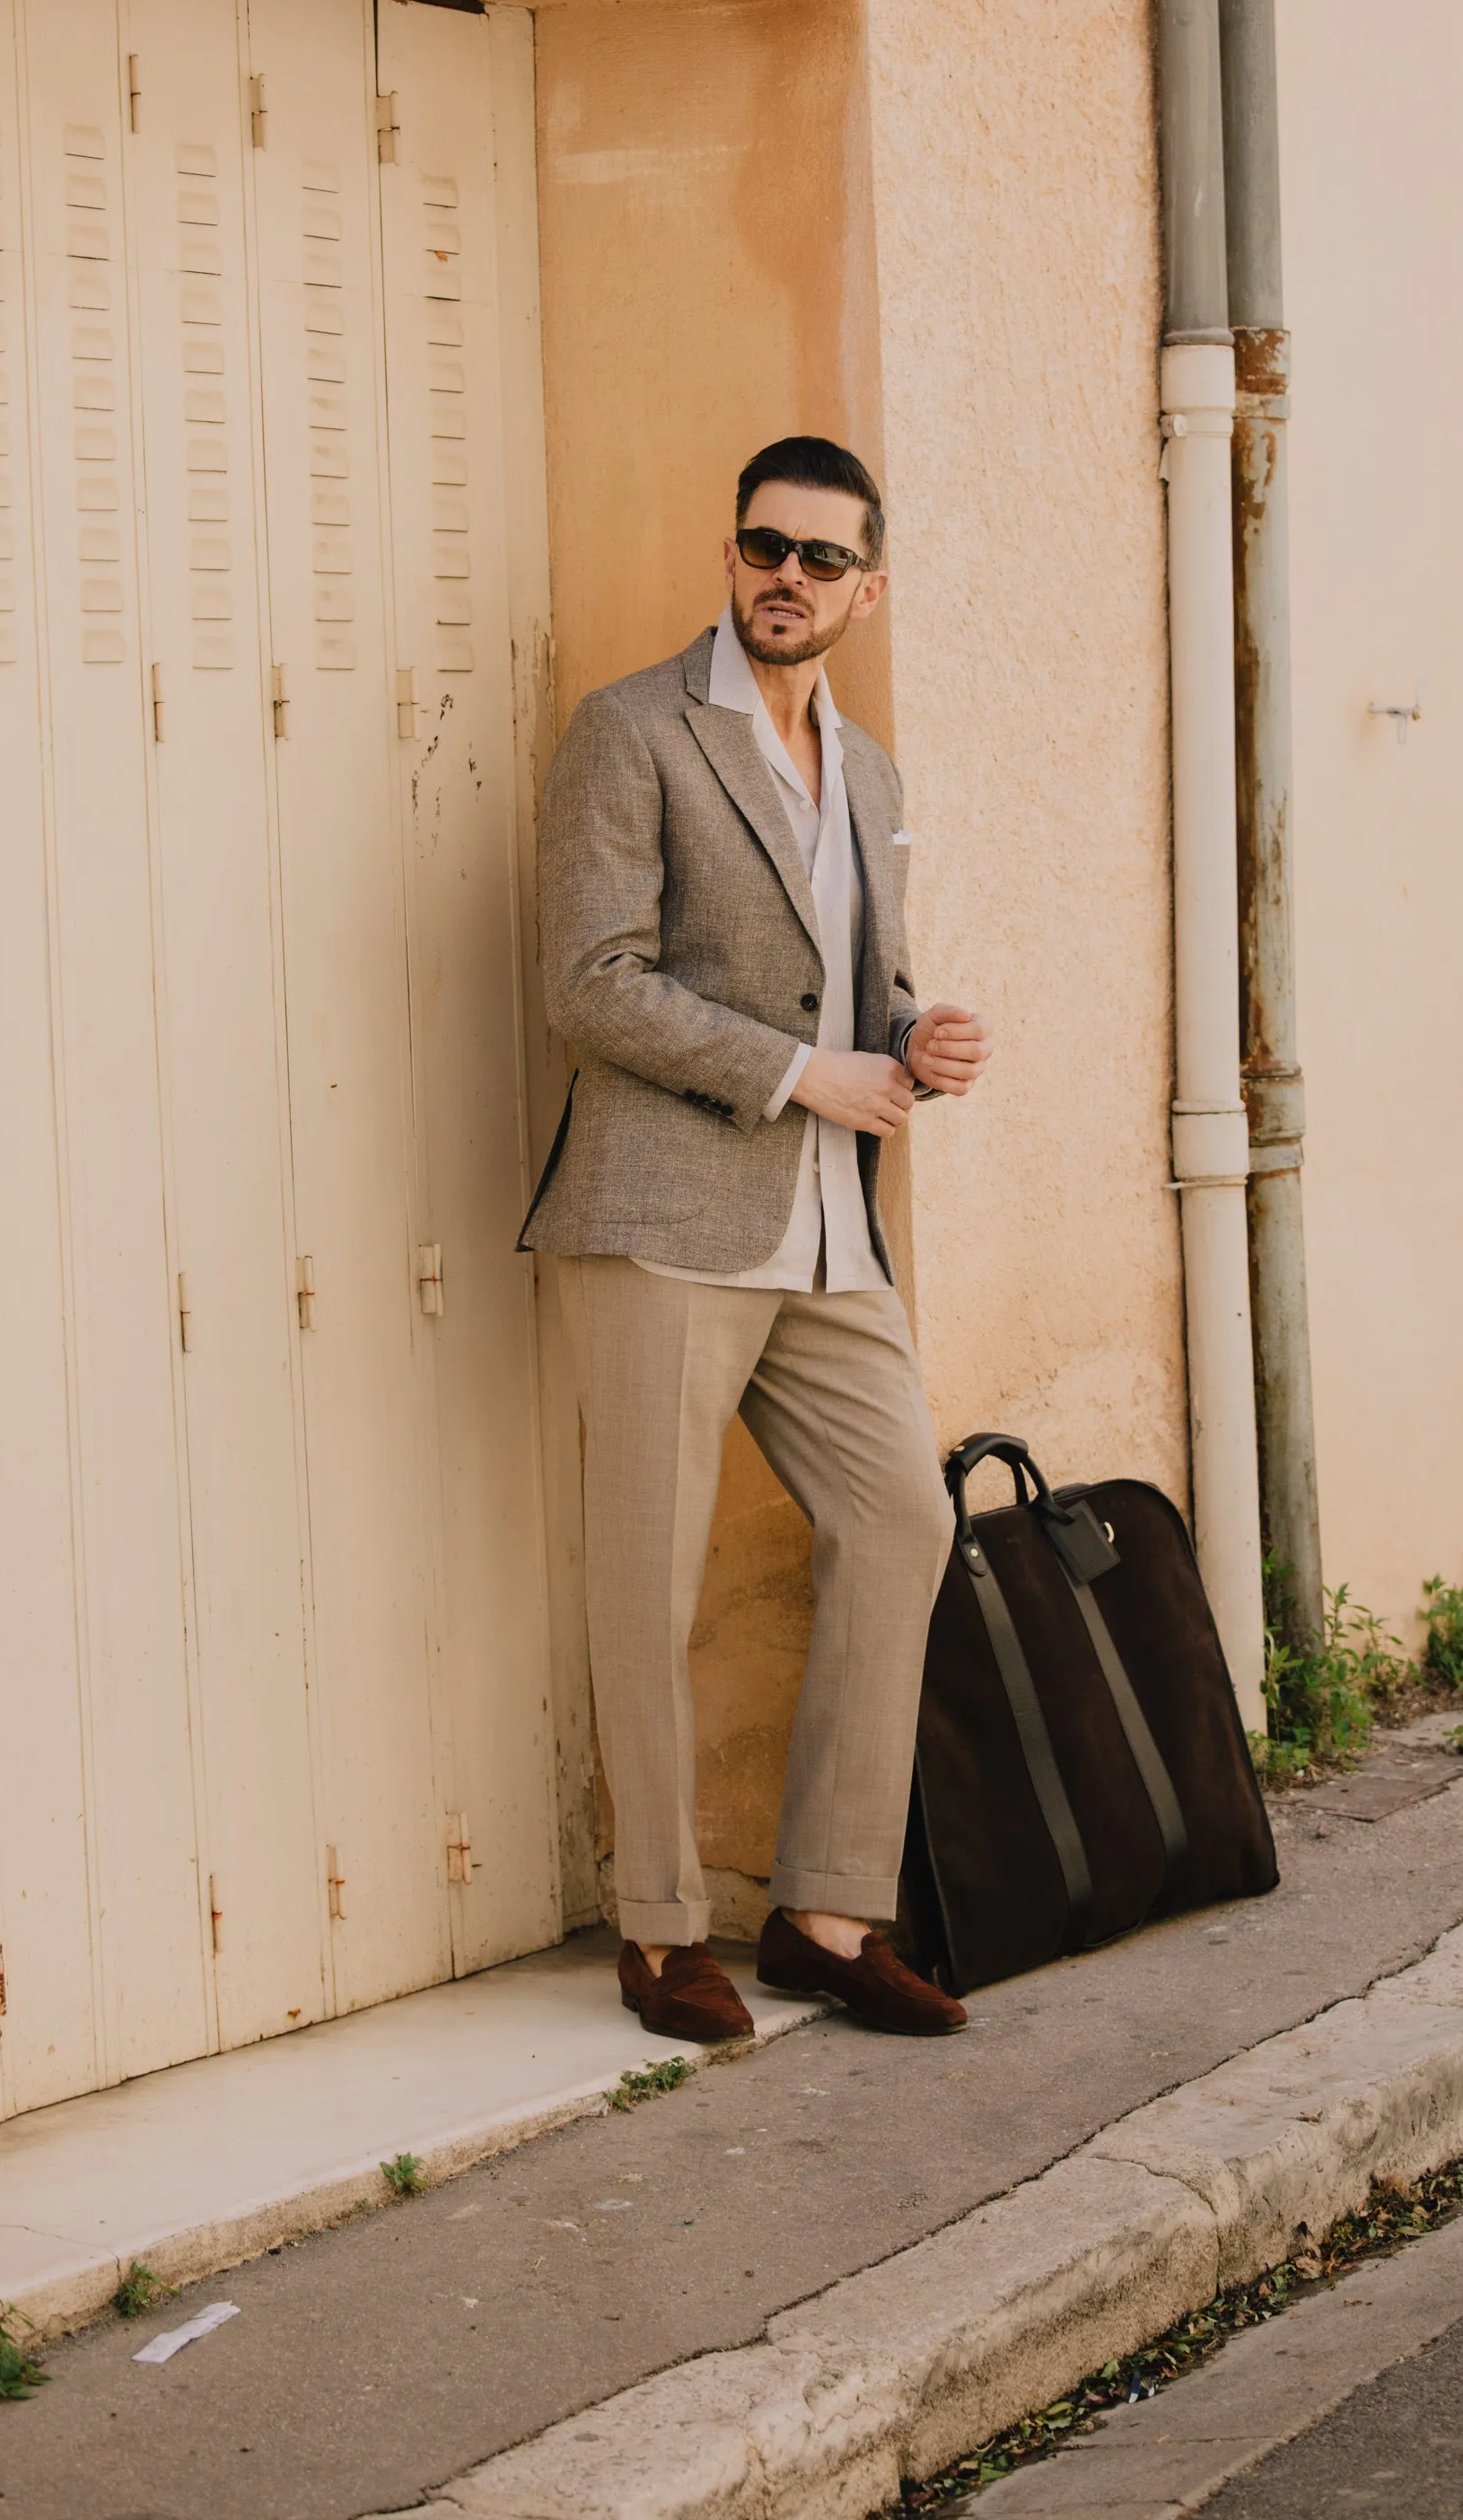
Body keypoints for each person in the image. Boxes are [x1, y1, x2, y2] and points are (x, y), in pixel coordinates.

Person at [521, 435, 993, 2041]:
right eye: (762, 547)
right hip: (668, 1214)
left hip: (827, 1231)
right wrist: (805, 1073)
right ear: (735, 559)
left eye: (820, 557)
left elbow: (870, 980)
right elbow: (590, 984)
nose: (786, 577)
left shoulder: (870, 774)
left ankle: (828, 1911)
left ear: (869, 585)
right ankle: (659, 1929)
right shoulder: (633, 731)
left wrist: (916, 1038)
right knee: (647, 1584)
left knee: (902, 1522)